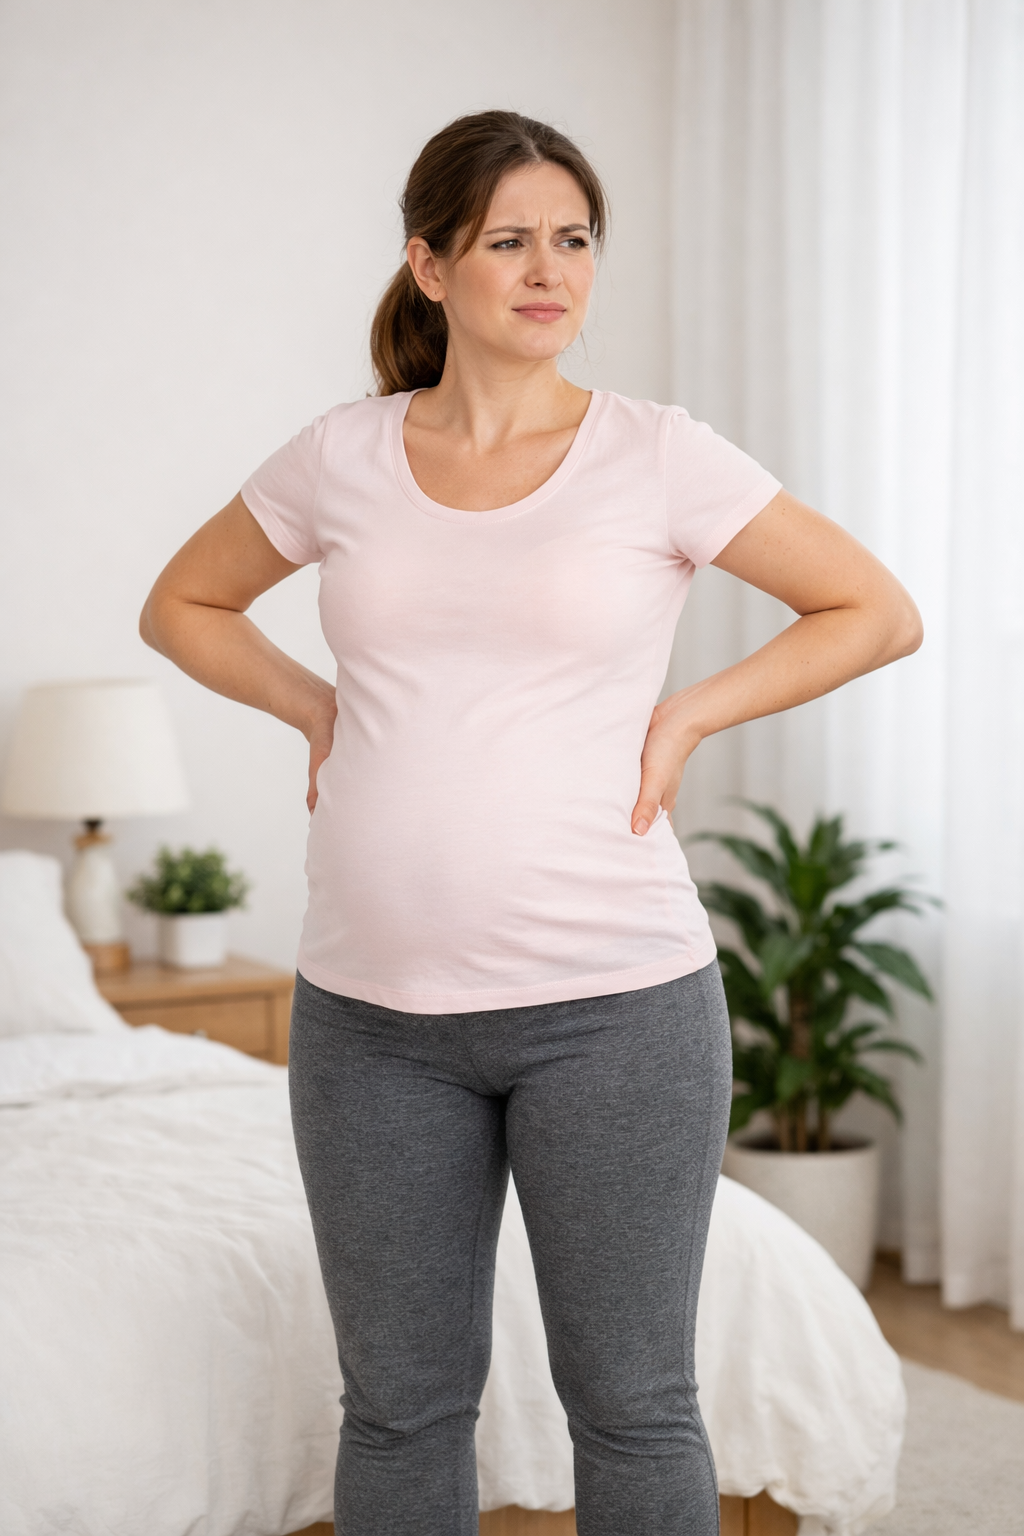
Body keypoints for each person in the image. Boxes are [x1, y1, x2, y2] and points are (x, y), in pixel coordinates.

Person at [140, 110, 922, 1536]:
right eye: (510, 239)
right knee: (397, 1407)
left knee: (631, 1404)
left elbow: (874, 610)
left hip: (615, 1008)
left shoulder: (660, 455)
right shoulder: (341, 455)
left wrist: (687, 717)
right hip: (372, 1021)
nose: (549, 267)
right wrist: (317, 710)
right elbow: (181, 604)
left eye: (573, 239)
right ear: (430, 267)